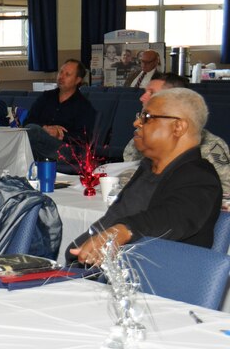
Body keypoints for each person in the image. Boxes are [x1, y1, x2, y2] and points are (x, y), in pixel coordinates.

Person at [68, 88, 221, 265]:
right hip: (101, 274)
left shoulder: (200, 176)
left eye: (146, 117)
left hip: (157, 282)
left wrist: (124, 231)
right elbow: (113, 218)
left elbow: (172, 217)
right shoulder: (148, 168)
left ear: (178, 127)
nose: (136, 123)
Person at [121, 73, 230, 195]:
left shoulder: (207, 145)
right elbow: (130, 174)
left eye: (151, 93)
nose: (142, 98)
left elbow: (225, 189)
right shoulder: (140, 139)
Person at [24, 59, 97, 161]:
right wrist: (45, 128)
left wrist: (60, 135)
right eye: (61, 72)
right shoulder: (46, 97)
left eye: (67, 74)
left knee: (31, 135)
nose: (61, 77)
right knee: (29, 132)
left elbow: (84, 137)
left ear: (77, 80)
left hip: (65, 149)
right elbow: (28, 121)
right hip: (39, 142)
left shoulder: (84, 106)